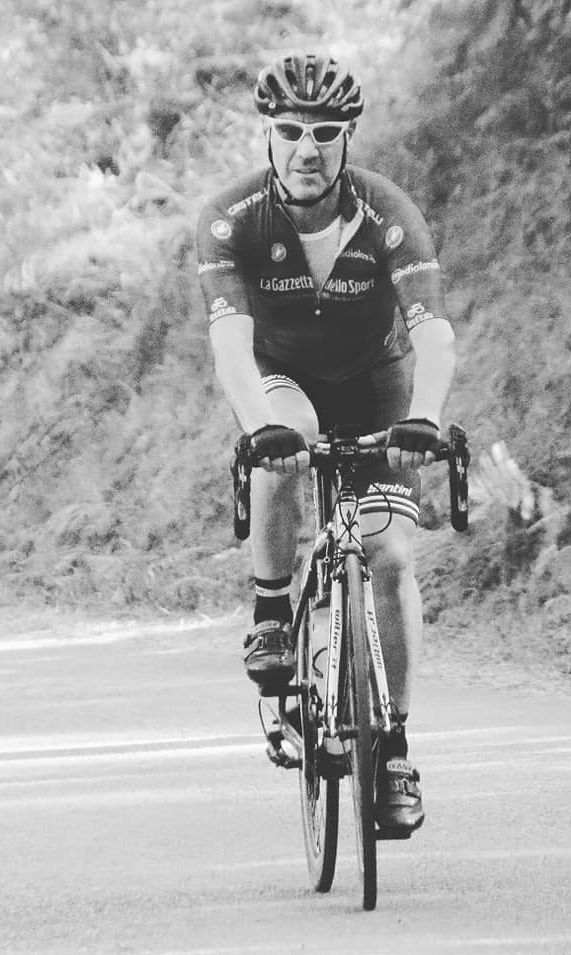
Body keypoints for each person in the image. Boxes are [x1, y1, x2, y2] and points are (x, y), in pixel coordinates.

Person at [194, 52, 456, 834]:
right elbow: (231, 345)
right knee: (290, 435)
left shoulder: (387, 213)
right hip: (279, 381)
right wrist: (260, 428)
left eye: (324, 133)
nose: (306, 149)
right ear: (268, 137)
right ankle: (273, 612)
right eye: (289, 132)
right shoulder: (232, 217)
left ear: (347, 139)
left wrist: (425, 419)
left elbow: (432, 333)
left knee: (391, 557)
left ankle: (394, 747)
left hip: (376, 383)